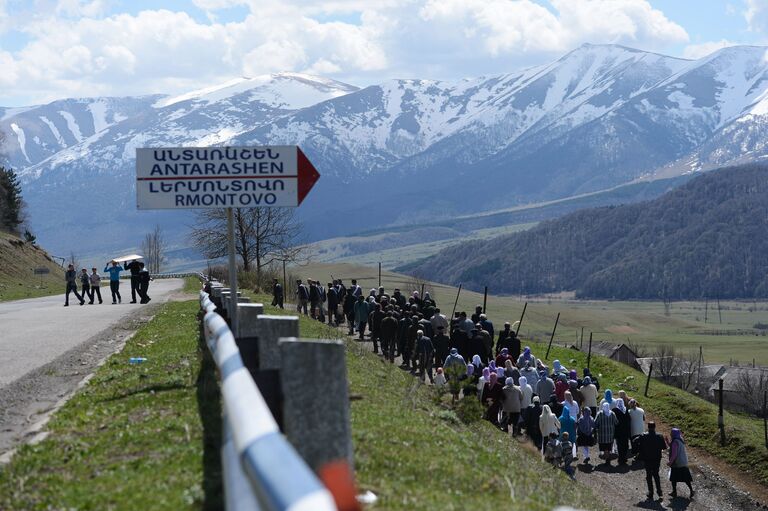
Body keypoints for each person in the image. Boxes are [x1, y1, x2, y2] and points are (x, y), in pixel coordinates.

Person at [639, 421, 667, 501]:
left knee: (649, 476)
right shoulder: (660, 436)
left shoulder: (643, 436)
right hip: (657, 458)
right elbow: (664, 447)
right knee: (656, 475)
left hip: (647, 459)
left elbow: (638, 444)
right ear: (655, 427)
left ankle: (651, 493)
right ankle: (660, 493)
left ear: (648, 427)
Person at [667, 428, 694, 499]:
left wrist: (670, 462)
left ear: (673, 434)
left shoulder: (675, 442)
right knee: (686, 478)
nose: (670, 434)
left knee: (673, 478)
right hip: (683, 462)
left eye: (671, 433)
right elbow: (672, 447)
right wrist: (667, 442)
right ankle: (691, 490)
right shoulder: (680, 440)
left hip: (677, 463)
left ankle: (674, 492)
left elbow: (674, 454)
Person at [614, 398, 631, 464]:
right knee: (625, 444)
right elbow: (629, 419)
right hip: (625, 430)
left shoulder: (615, 410)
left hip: (618, 430)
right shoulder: (626, 410)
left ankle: (620, 458)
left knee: (619, 444)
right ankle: (624, 457)